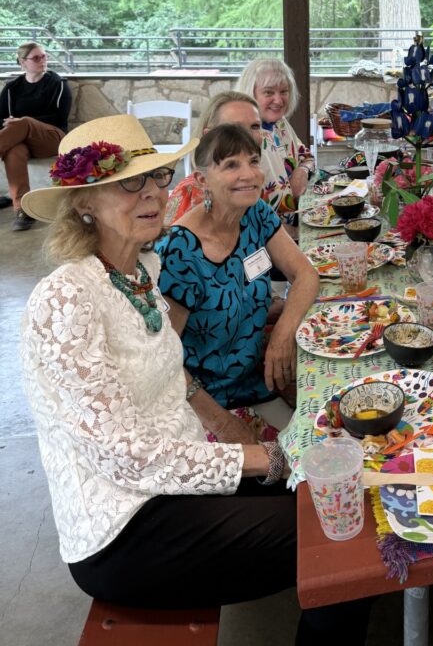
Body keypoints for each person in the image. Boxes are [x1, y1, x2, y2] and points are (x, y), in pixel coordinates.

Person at [18, 115, 366, 638]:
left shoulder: (133, 276)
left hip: (178, 487)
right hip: (125, 527)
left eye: (156, 177)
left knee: (335, 497)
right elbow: (123, 455)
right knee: (341, 538)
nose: (152, 194)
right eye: (128, 183)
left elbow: (170, 379)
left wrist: (272, 455)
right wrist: (264, 455)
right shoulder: (67, 296)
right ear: (84, 202)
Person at [157, 124, 319, 438]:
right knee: (294, 462)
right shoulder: (181, 251)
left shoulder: (254, 213)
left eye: (253, 161)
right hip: (203, 403)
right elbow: (164, 358)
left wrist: (282, 335)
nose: (249, 174)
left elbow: (305, 274)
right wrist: (220, 422)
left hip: (254, 380)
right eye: (231, 165)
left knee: (333, 431)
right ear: (203, 180)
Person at [1, 42, 71, 231]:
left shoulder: (58, 83)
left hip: (52, 138)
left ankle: (24, 124)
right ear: (23, 62)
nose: (42, 60)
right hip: (21, 142)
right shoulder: (11, 89)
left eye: (44, 56)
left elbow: (59, 117)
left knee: (23, 122)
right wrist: (18, 123)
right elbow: (3, 120)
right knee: (14, 151)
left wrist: (25, 121)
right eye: (36, 57)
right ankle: (23, 210)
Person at [164, 91, 261, 225]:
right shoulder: (190, 194)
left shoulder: (252, 182)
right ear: (209, 136)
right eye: (234, 128)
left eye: (255, 126)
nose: (248, 136)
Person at [236, 57, 315, 219]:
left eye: (284, 91)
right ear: (251, 93)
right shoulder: (242, 138)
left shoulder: (280, 124)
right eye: (268, 92)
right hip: (269, 235)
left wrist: (302, 170)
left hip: (298, 219)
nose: (278, 100)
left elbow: (307, 157)